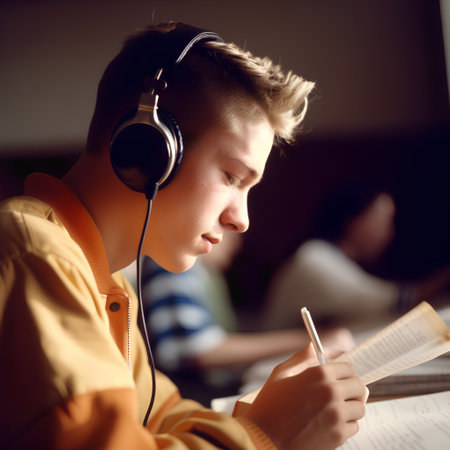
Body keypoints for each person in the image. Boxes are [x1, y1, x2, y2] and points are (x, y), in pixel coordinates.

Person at [0, 22, 367, 449]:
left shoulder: (104, 278)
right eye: (231, 176)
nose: (241, 221)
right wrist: (265, 435)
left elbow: (159, 416)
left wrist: (270, 412)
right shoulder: (36, 255)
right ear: (150, 150)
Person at [138, 232, 355, 405]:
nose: (237, 243)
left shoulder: (207, 275)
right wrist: (311, 339)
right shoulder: (172, 264)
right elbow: (200, 349)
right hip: (196, 398)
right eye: (229, 230)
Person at [262, 180, 450, 330]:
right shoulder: (314, 258)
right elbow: (398, 300)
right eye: (382, 222)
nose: (388, 233)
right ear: (353, 221)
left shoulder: (328, 257)